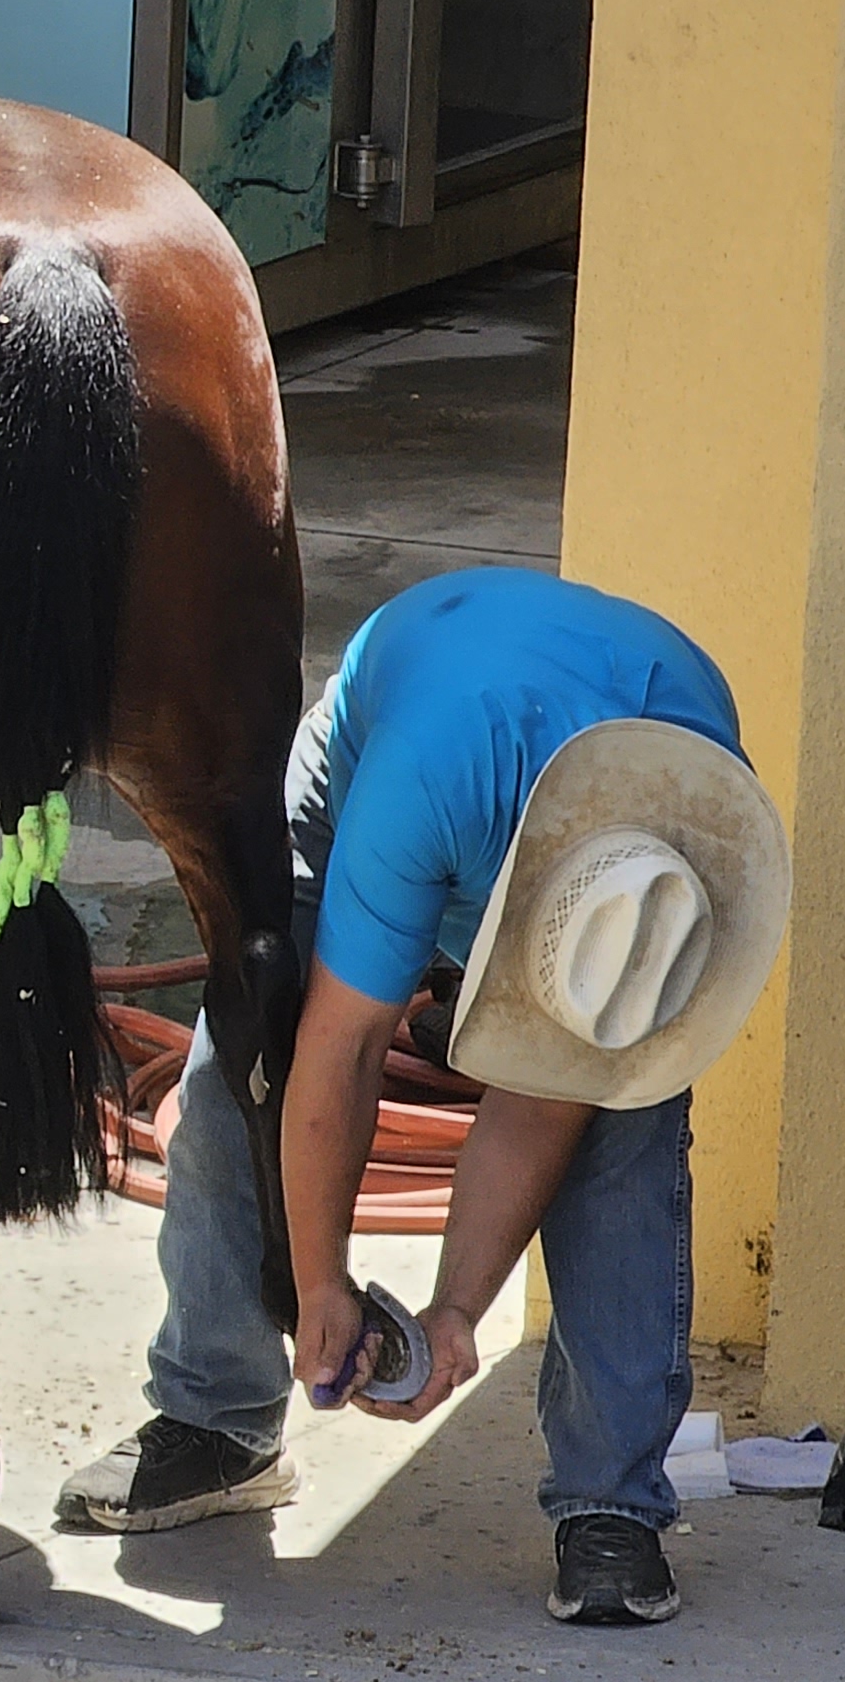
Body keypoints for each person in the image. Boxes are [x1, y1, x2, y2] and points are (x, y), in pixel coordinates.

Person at [56, 567, 792, 1625]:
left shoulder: (691, 848)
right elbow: (339, 1056)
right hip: (407, 741)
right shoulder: (421, 791)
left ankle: (610, 1509)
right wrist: (318, 1286)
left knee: (624, 1125)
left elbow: (545, 1102)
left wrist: (453, 1313)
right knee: (248, 1057)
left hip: (588, 813)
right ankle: (217, 1423)